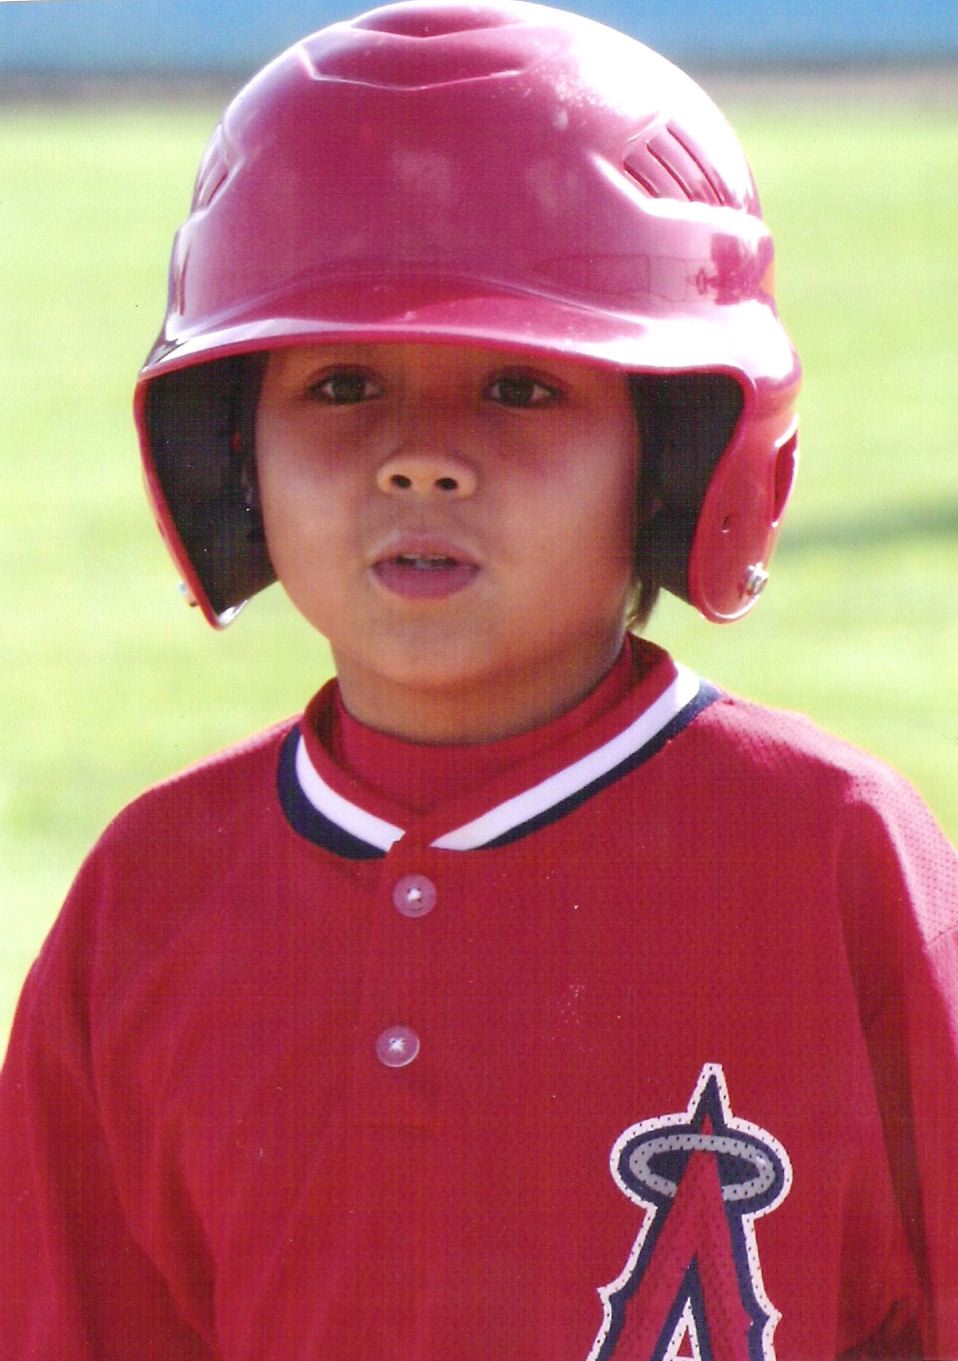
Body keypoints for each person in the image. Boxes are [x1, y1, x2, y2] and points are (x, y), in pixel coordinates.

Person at [1, 3, 956, 1357]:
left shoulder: (830, 852)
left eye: (519, 387)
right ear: (230, 453)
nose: (421, 459)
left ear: (678, 453)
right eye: (342, 385)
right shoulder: (150, 900)